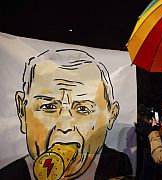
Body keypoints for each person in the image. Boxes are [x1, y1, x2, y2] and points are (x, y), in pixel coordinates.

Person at [0, 49, 132, 179]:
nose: (65, 127)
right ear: (22, 112)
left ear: (111, 115)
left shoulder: (118, 167)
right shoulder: (8, 176)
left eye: (83, 109)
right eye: (49, 107)